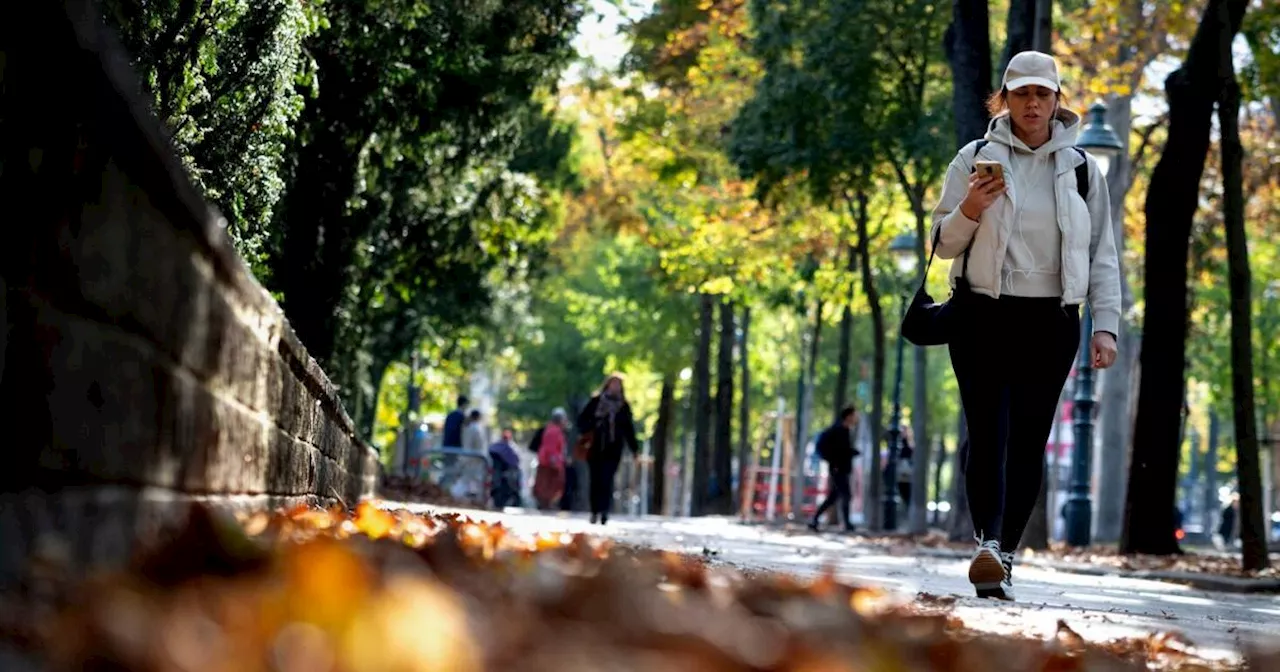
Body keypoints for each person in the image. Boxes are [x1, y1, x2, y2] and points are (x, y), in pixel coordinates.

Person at [929, 50, 1121, 601]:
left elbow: (1102, 253)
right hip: (982, 313)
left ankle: (1005, 552)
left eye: (1043, 94)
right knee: (985, 433)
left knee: (1030, 439)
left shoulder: (1083, 169)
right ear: (1004, 100)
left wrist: (1103, 326)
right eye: (1022, 93)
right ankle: (987, 544)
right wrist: (968, 208)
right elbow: (940, 246)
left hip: (1051, 319)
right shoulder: (973, 157)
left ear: (1058, 101)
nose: (1032, 104)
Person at [576, 374, 641, 525]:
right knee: (595, 480)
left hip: (613, 449)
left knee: (607, 479)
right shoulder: (596, 402)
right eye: (613, 384)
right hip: (595, 447)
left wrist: (634, 450)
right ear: (607, 385)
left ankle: (604, 511)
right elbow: (581, 422)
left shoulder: (623, 406)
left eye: (618, 385)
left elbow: (628, 429)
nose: (615, 387)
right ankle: (594, 511)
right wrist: (595, 423)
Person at [809, 406, 860, 533]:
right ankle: (847, 524)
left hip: (840, 468)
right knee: (845, 495)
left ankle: (815, 520)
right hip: (838, 469)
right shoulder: (839, 430)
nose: (856, 418)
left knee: (834, 496)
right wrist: (835, 461)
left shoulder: (844, 430)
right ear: (848, 416)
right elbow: (838, 450)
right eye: (854, 415)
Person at [533, 409, 569, 509]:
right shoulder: (554, 431)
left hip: (548, 462)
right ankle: (546, 504)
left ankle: (546, 503)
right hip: (550, 464)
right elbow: (551, 449)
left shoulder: (551, 430)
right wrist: (554, 462)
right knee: (549, 485)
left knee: (546, 485)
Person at [488, 428, 522, 508]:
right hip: (502, 474)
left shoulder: (497, 446)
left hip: (502, 474)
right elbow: (516, 461)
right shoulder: (510, 447)